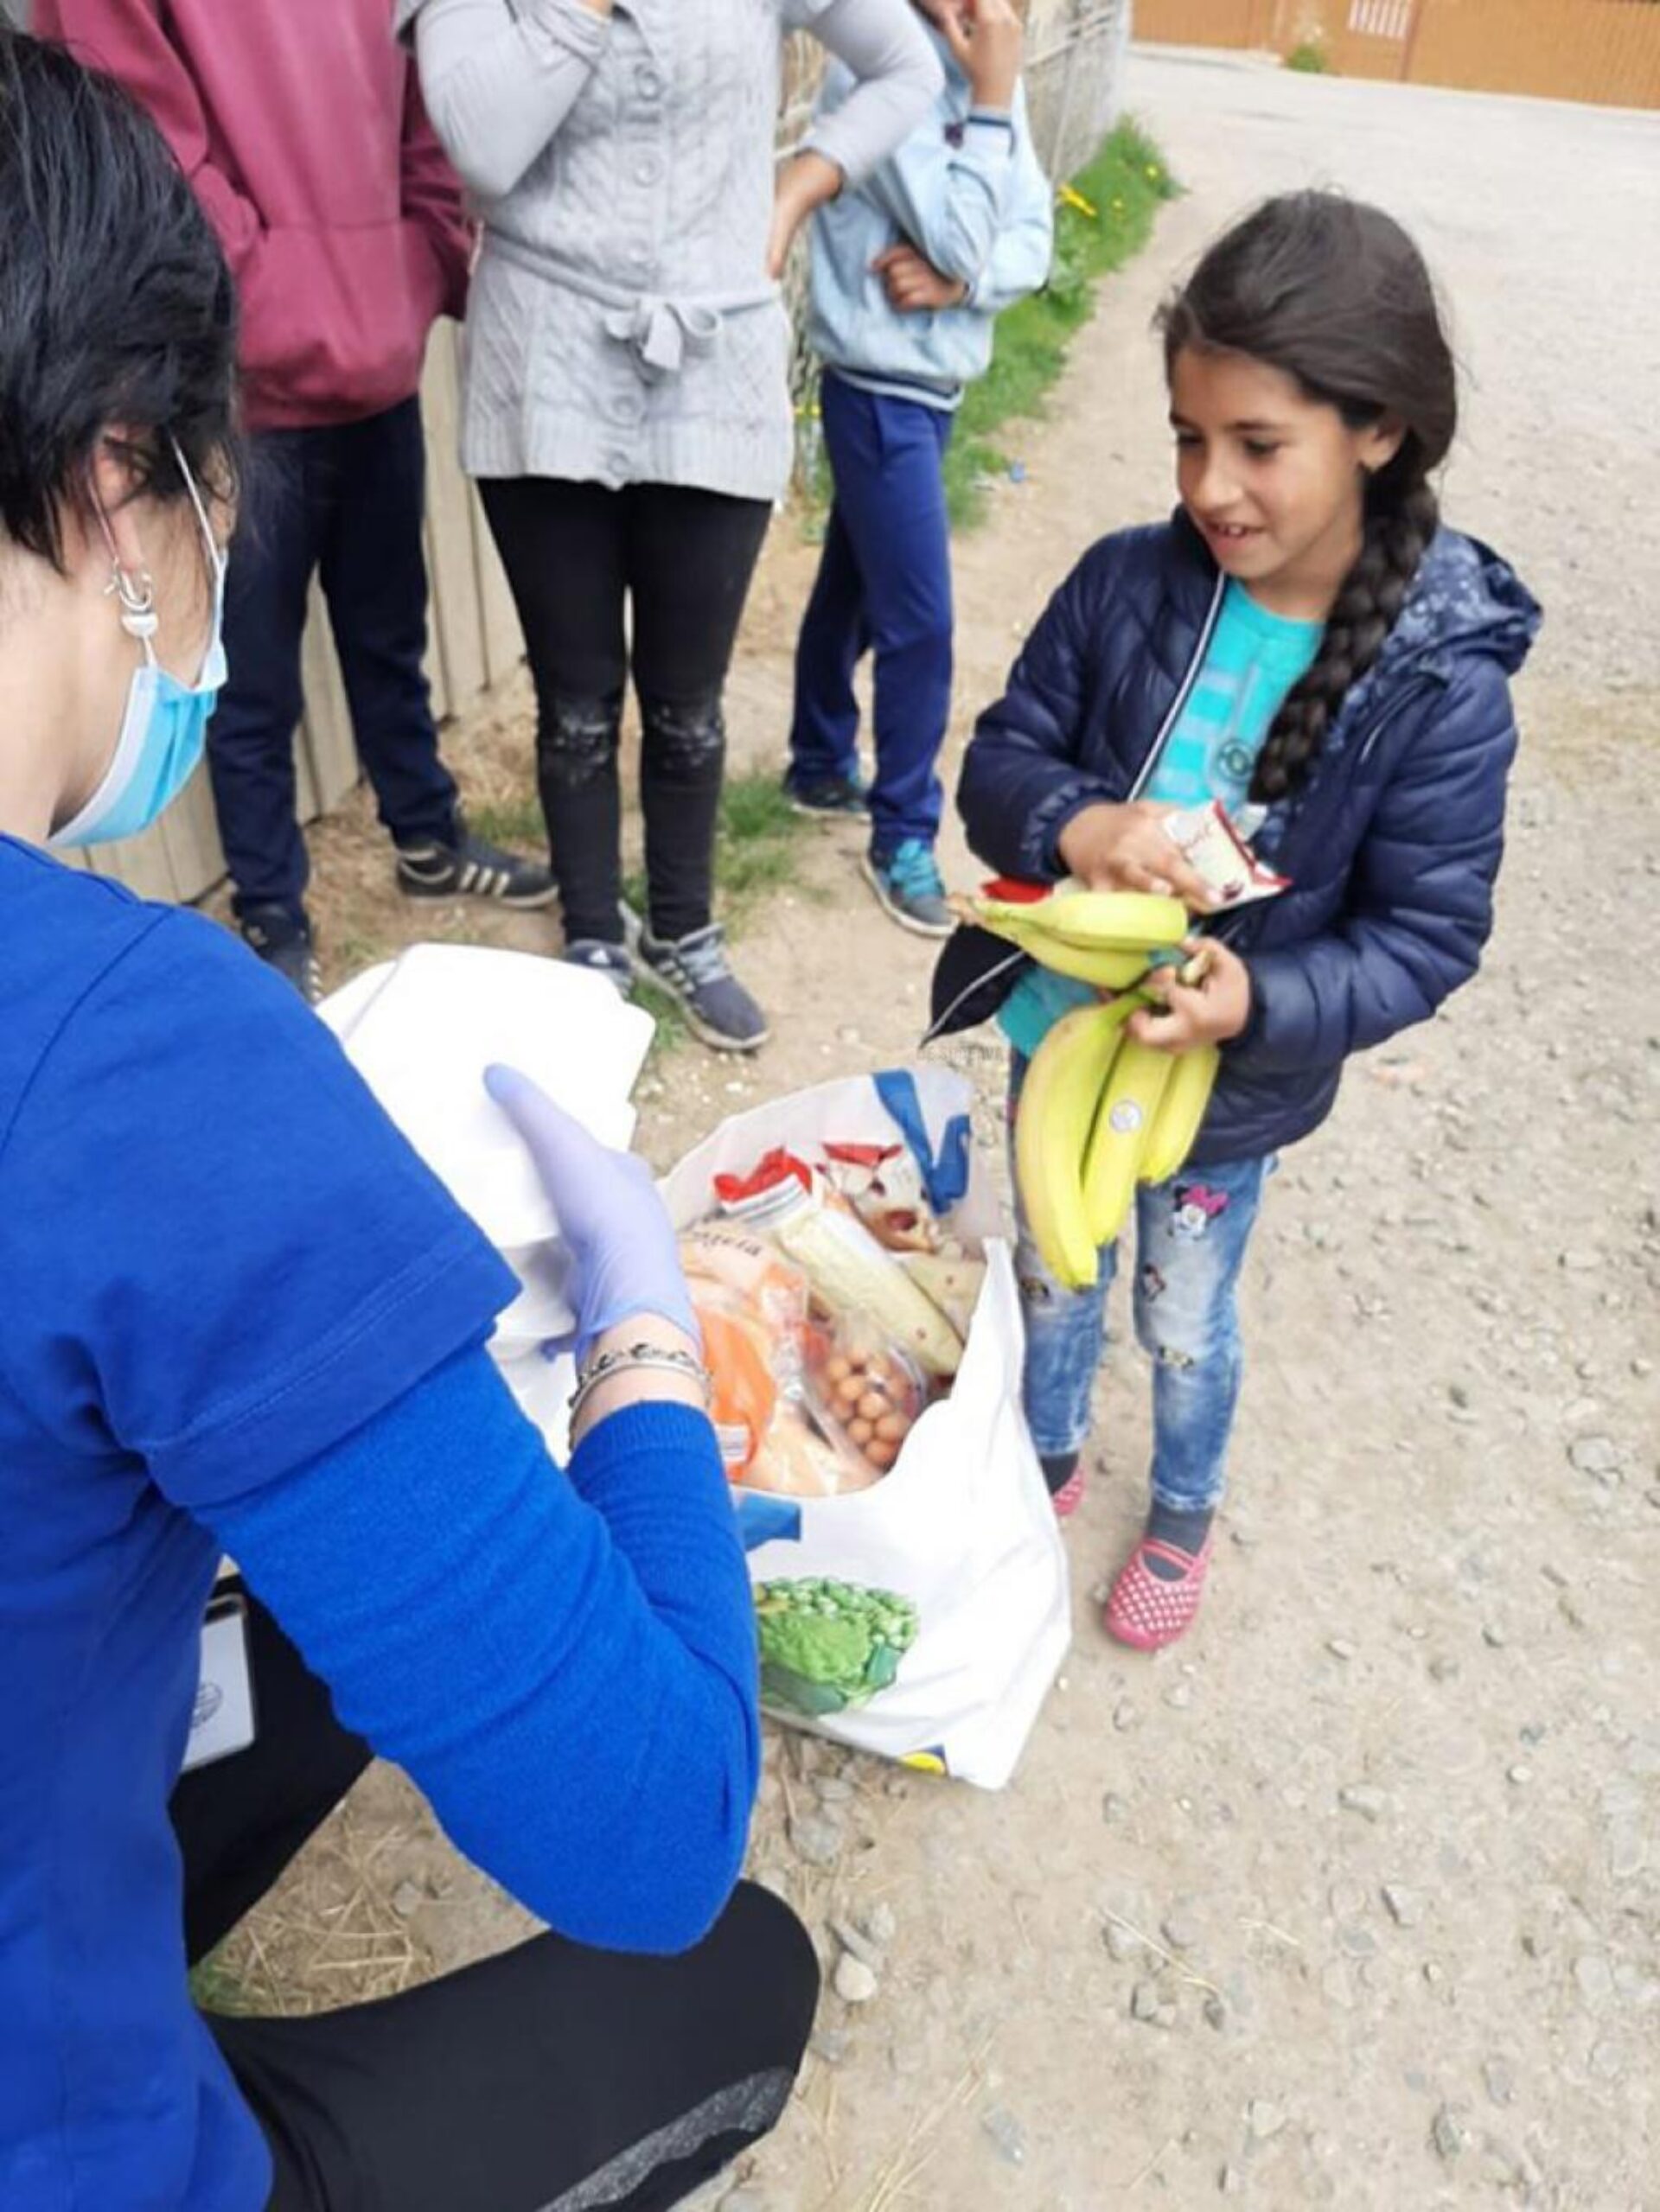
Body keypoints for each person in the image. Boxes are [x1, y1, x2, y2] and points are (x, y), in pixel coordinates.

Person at [0, 35, 817, 2212]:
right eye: (220, 495)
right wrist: (639, 1333)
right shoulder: (138, 1053)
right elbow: (651, 1835)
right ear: (117, 483)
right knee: (734, 1963)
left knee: (310, 1625)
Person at [940, 192, 1539, 1648]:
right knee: (1052, 1268)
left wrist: (1253, 1003)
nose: (1212, 485)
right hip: (1061, 1031)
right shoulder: (1122, 582)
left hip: (1226, 1086)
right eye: (1188, 437)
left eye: (1259, 444)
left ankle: (1183, 1510)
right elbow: (1004, 756)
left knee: (1184, 1316)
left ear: (1379, 428)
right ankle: (1043, 1452)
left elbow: (1424, 934)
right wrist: (1080, 823)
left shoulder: (1438, 683)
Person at [402, 0, 942, 1051]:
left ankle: (685, 929)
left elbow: (905, 66)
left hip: (714, 363)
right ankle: (594, 932)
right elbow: (486, 150)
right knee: (576, 701)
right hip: (543, 364)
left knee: (687, 701)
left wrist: (799, 189)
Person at [37, 0, 555, 1003]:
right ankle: (273, 908)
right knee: (249, 682)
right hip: (244, 400)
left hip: (382, 371)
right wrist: (273, 298)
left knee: (391, 635)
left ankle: (426, 836)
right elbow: (144, 138)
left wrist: (413, 265)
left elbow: (422, 105)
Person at [786, 0, 1053, 938]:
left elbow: (1031, 238)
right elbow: (963, 230)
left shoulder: (985, 72)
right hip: (877, 388)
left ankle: (819, 761)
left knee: (856, 585)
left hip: (931, 390)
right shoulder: (881, 71)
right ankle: (902, 830)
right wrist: (992, 103)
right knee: (921, 622)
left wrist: (963, 284)